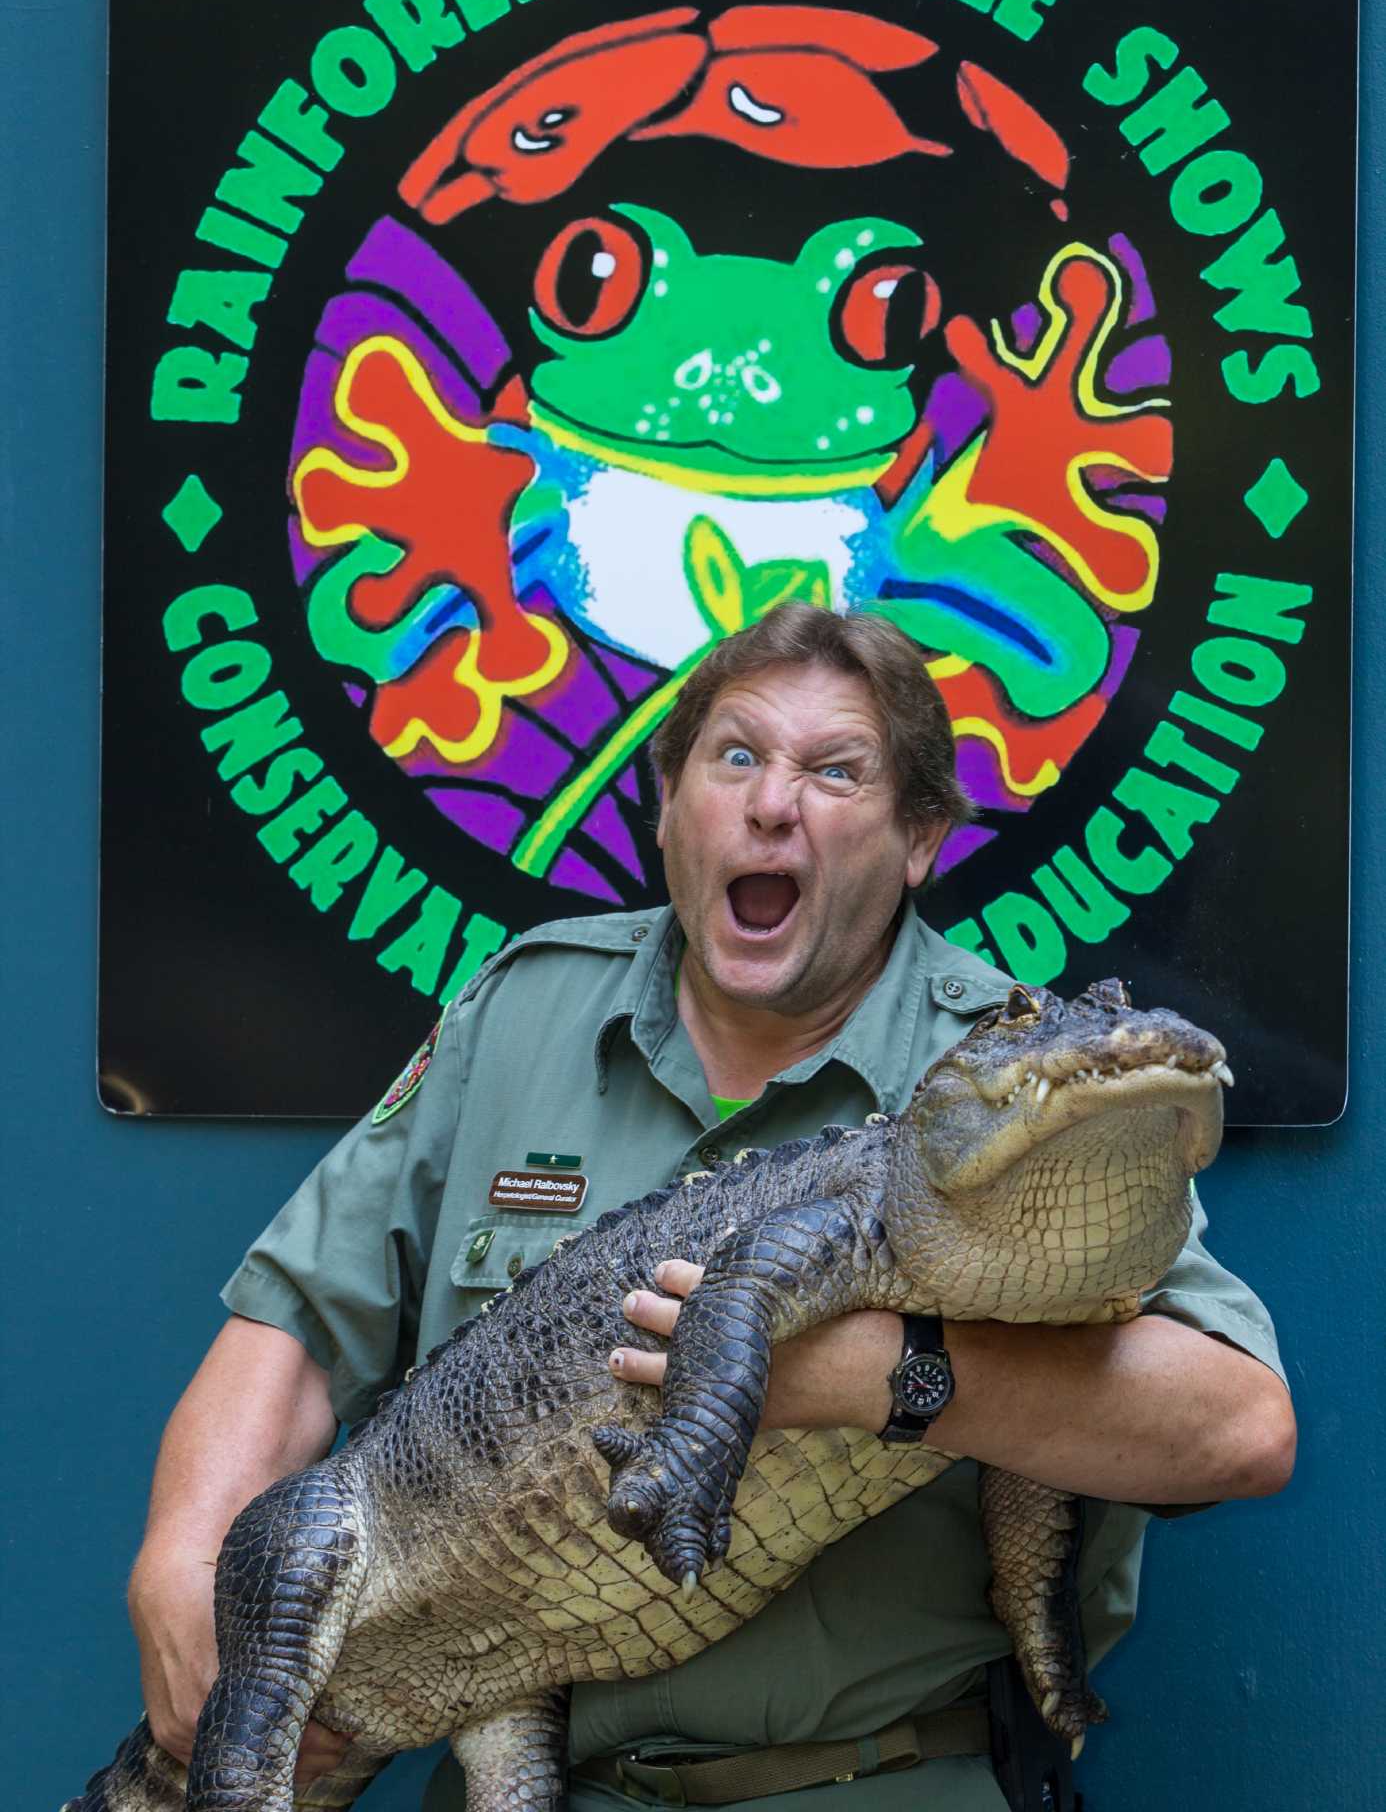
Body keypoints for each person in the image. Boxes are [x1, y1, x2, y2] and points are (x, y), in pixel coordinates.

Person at [126, 605, 1295, 1812]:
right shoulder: (523, 1008)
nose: (772, 803)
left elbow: (1239, 1424)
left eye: (836, 770)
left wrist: (892, 1373)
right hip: (523, 1760)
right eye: (735, 756)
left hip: (872, 1784)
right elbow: (301, 1323)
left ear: (918, 839)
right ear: (668, 800)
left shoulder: (1016, 1072)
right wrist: (182, 1563)